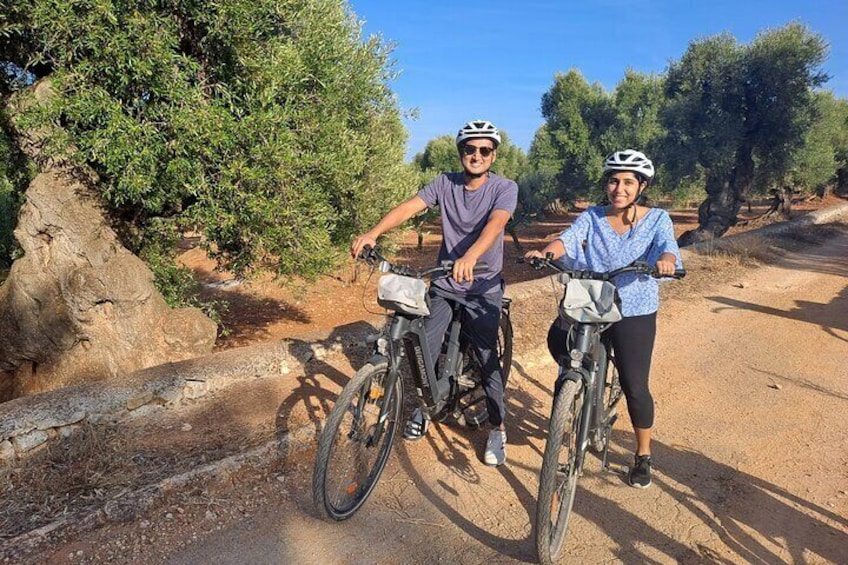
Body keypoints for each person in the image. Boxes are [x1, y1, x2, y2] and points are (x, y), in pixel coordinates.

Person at [351, 120, 518, 466]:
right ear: (461, 153)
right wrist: (374, 232)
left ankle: (498, 428)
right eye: (469, 149)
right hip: (445, 281)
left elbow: (496, 224)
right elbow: (410, 207)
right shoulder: (445, 183)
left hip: (482, 284)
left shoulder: (504, 187)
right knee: (424, 346)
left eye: (484, 150)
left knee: (487, 358)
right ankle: (427, 408)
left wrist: (471, 257)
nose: (476, 155)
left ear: (493, 155)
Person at [523, 149, 682, 488]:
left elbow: (668, 246)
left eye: (627, 181)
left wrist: (667, 260)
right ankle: (575, 394)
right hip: (591, 302)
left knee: (635, 386)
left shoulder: (657, 219)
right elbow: (565, 241)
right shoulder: (593, 216)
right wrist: (546, 253)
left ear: (641, 185)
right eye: (613, 180)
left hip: (633, 308)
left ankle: (643, 455)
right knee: (561, 345)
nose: (618, 188)